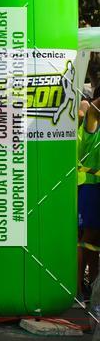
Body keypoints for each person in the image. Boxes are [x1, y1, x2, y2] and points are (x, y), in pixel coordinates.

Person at [78, 87, 100, 301]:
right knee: (88, 238)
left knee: (95, 242)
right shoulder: (93, 124)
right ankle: (76, 290)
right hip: (91, 185)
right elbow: (92, 108)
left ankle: (92, 286)